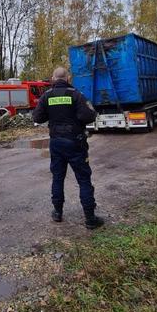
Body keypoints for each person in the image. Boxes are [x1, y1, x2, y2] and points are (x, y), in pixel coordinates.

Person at [32, 67, 104, 229]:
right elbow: (89, 115)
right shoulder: (76, 95)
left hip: (56, 143)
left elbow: (37, 117)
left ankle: (57, 213)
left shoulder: (47, 96)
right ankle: (90, 219)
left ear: (53, 78)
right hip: (75, 143)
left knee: (57, 178)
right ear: (68, 78)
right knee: (83, 179)